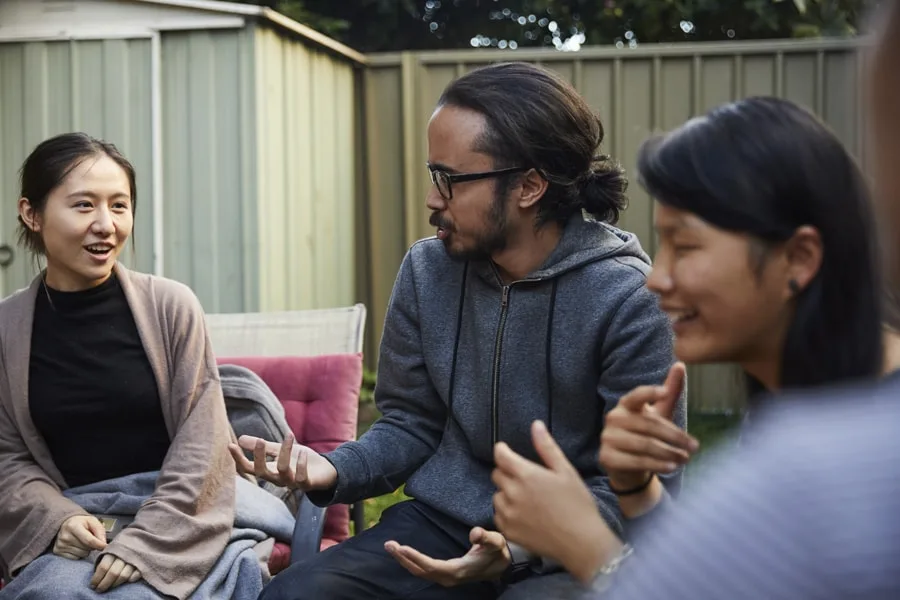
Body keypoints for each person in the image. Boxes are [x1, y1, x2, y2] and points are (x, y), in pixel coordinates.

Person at [233, 62, 686, 599]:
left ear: (530, 186)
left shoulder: (629, 298)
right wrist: (331, 469)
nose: (432, 199)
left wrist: (515, 550)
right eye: (433, 175)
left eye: (450, 180)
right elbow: (411, 423)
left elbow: (641, 490)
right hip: (442, 526)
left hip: (571, 545)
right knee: (295, 594)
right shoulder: (428, 271)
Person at [490, 94, 888, 585]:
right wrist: (637, 490)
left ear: (799, 257)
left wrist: (586, 543)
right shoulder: (807, 398)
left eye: (686, 245)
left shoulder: (871, 447)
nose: (657, 278)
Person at [0, 133, 236, 599]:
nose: (106, 225)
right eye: (84, 206)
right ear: (32, 214)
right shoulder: (6, 328)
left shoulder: (172, 306)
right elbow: (7, 456)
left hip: (178, 522)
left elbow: (203, 444)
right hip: (81, 527)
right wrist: (57, 520)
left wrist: (147, 544)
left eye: (120, 206)